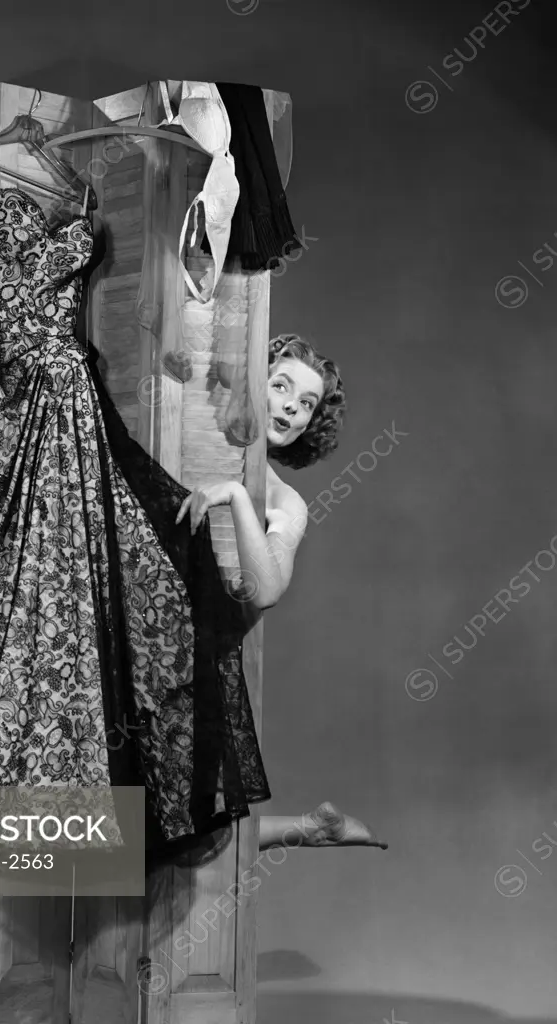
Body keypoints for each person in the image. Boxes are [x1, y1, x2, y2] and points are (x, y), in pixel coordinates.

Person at [177, 332, 386, 852]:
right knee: (144, 836)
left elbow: (265, 589)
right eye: (281, 386)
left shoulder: (286, 502)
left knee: (177, 839)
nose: (292, 406)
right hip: (132, 632)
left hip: (196, 663)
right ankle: (309, 829)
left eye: (307, 404)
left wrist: (238, 498)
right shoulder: (188, 430)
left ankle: (306, 830)